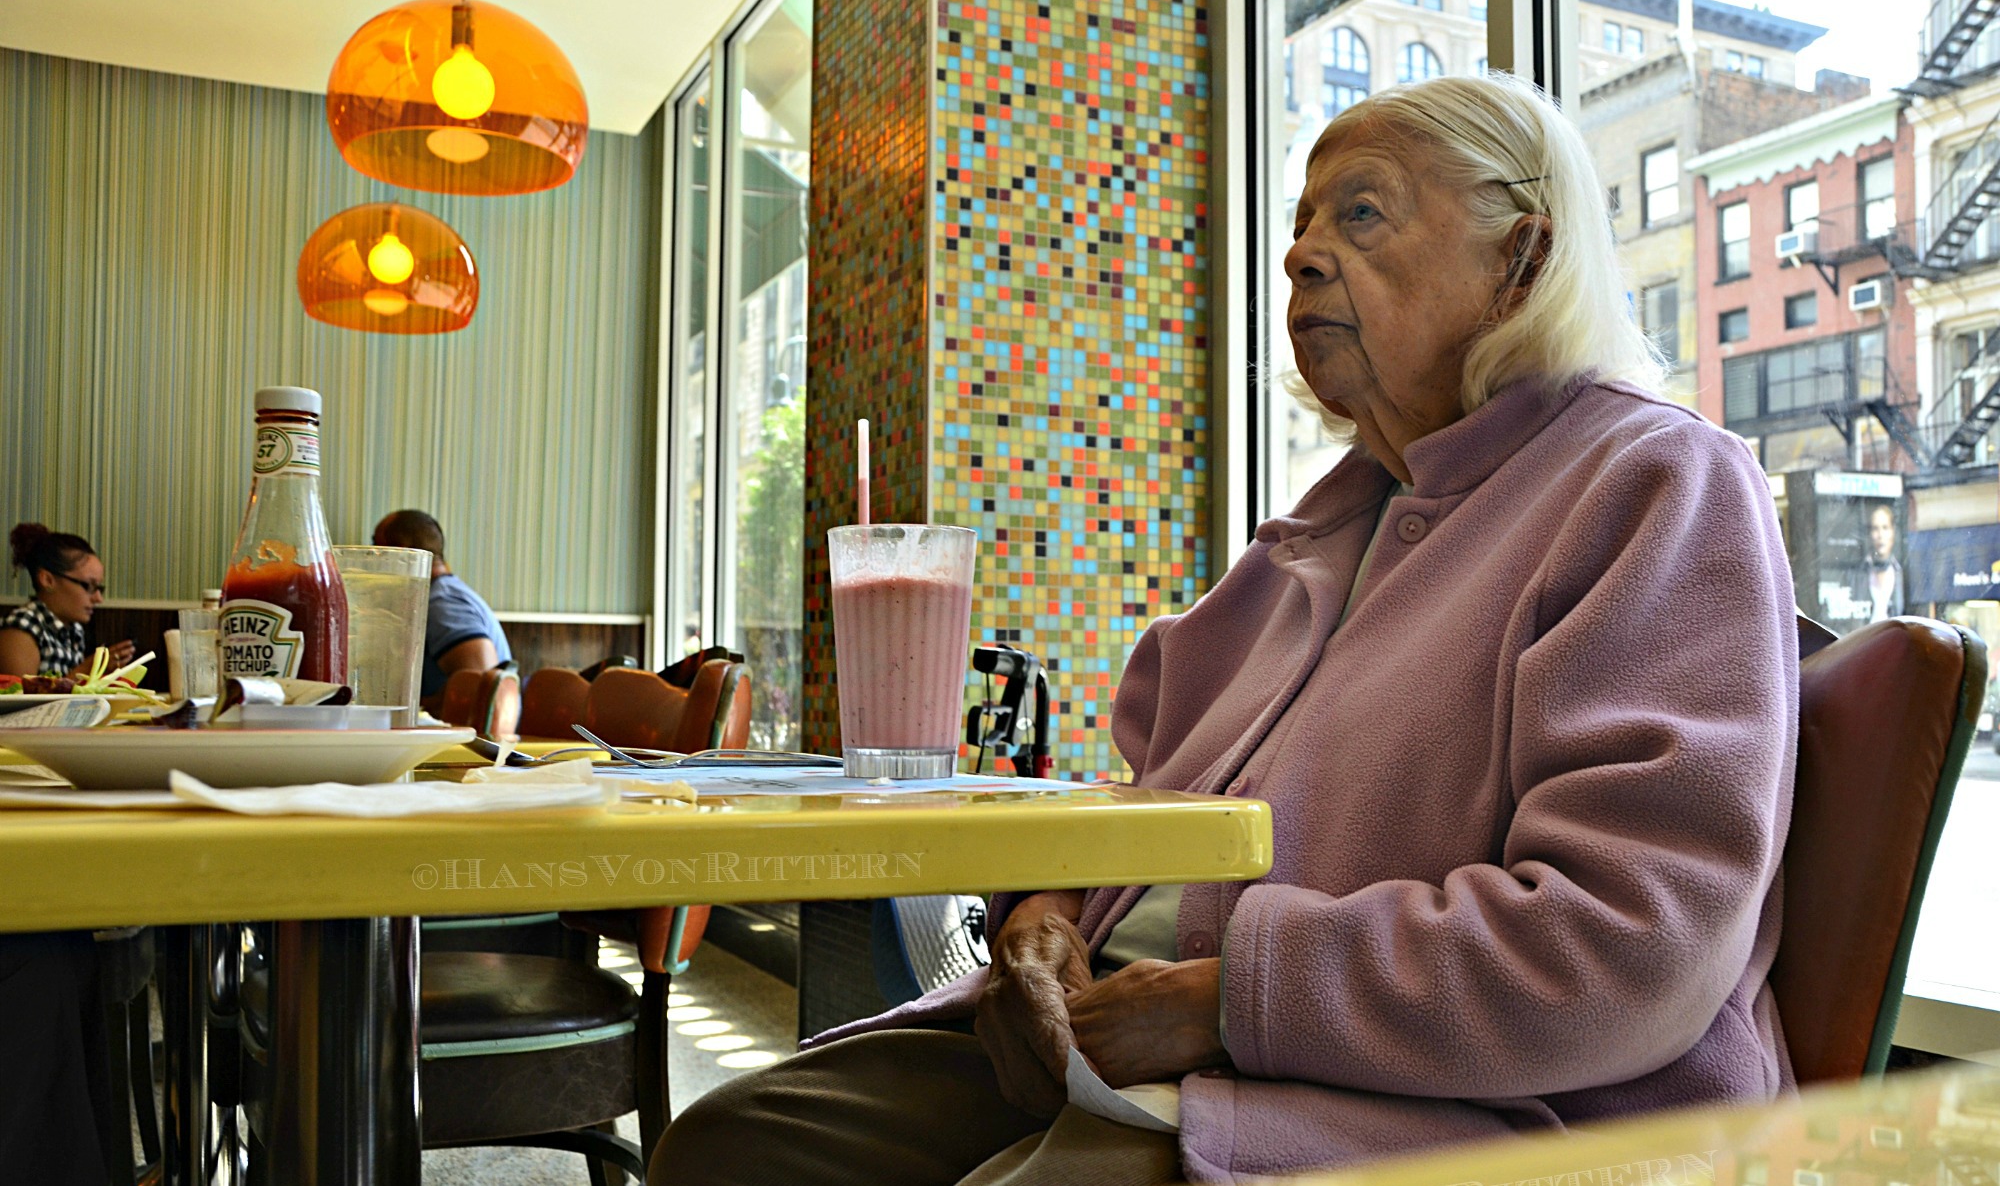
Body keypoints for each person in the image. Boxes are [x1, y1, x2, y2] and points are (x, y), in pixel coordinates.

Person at [653, 74, 1798, 1185]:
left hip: (1469, 1111)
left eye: (1361, 213)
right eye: (1300, 224)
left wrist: (1219, 1002)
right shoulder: (1315, 537)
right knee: (728, 1145)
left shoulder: (1652, 481)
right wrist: (1044, 921)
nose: (1300, 254)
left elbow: (1632, 939)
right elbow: (1140, 804)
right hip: (1126, 1044)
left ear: (1522, 261)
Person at [370, 510, 512, 709]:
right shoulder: (446, 595)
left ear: (400, 552)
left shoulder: (442, 604)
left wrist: (408, 708)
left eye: (376, 547)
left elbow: (485, 693)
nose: (372, 558)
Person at [1, 523, 134, 680]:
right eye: (88, 586)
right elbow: (17, 694)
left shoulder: (74, 629)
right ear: (48, 580)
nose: (98, 598)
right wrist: (85, 670)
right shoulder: (22, 628)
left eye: (99, 588)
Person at [1861, 503, 1904, 623]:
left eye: (1885, 528)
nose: (1880, 535)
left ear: (1893, 532)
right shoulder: (1860, 572)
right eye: (1875, 528)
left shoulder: (1901, 573)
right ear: (1870, 534)